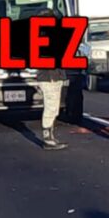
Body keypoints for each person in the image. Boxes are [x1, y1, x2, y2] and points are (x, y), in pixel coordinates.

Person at [35, 9, 67, 150]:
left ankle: (50, 135)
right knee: (50, 107)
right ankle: (47, 138)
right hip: (49, 76)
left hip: (54, 75)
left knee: (54, 108)